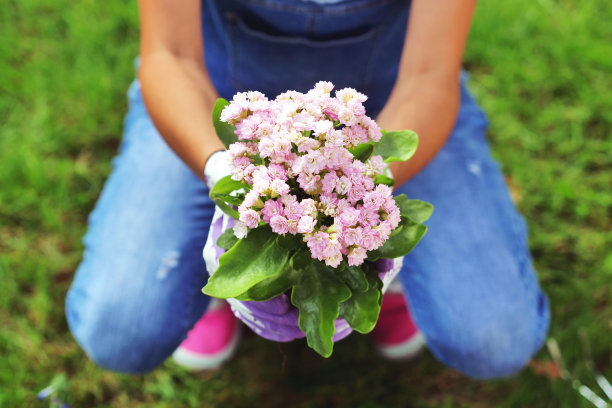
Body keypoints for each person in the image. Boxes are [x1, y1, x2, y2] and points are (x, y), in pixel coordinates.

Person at [65, 0, 550, 379]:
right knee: (120, 331)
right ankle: (222, 276)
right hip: (213, 104)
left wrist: (364, 203)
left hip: (388, 108)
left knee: (495, 339)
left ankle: (380, 272)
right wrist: (224, 174)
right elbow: (169, 55)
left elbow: (429, 75)